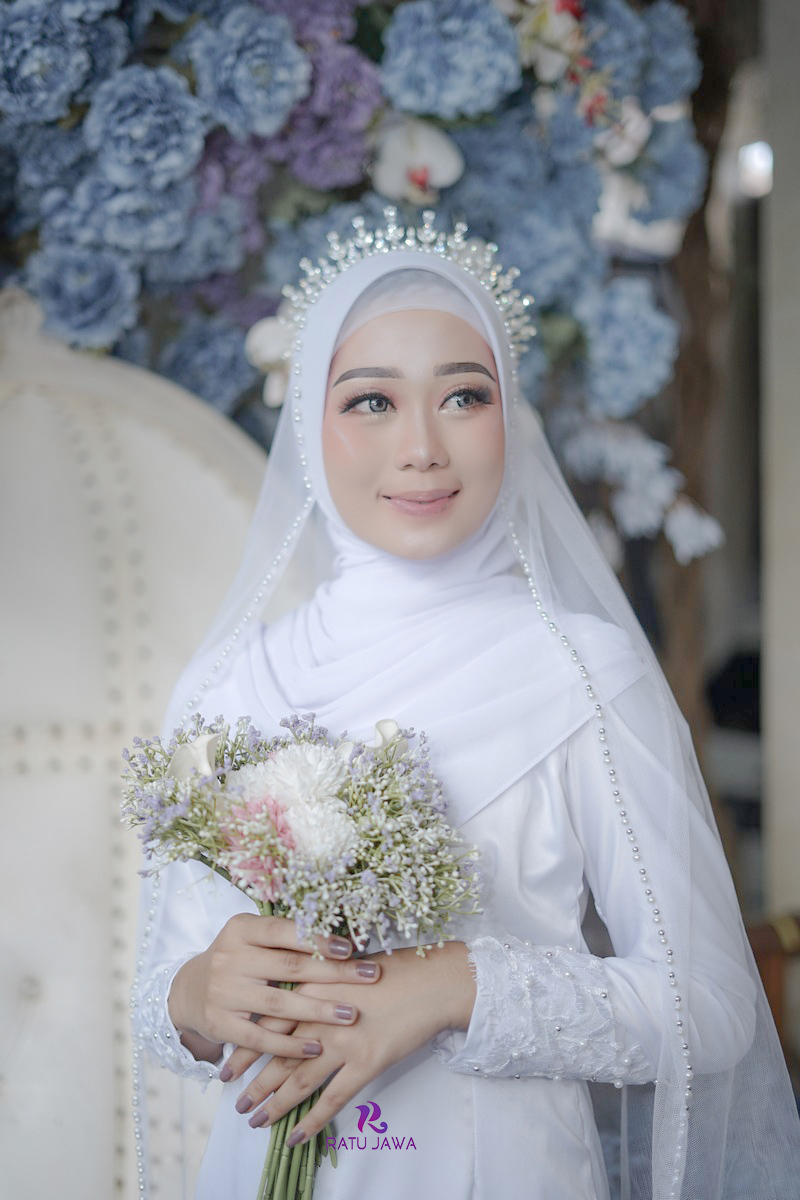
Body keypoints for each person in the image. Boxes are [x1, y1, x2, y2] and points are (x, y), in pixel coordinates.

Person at [132, 210, 800, 1200]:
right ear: (309, 424)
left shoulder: (582, 671)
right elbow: (161, 1000)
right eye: (370, 401)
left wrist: (456, 986)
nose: (420, 447)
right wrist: (195, 995)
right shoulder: (231, 685)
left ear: (510, 416)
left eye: (462, 396)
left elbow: (710, 1006)